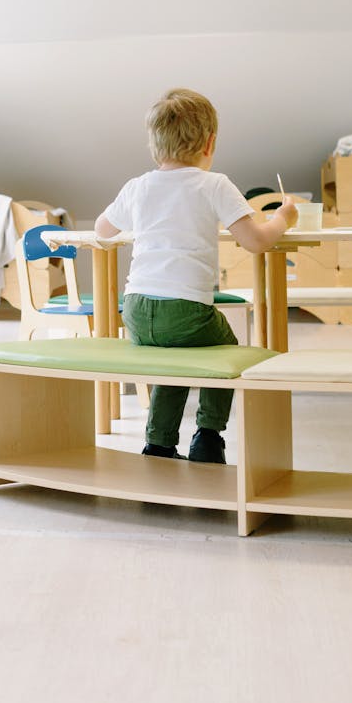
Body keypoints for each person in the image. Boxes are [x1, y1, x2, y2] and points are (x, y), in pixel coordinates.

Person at [94, 88, 298, 464]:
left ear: (154, 144)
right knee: (227, 347)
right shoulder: (215, 184)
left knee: (174, 359)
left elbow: (102, 230)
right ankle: (208, 434)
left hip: (136, 310)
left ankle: (157, 444)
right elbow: (255, 242)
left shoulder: (137, 187)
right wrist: (281, 219)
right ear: (210, 142)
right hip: (186, 310)